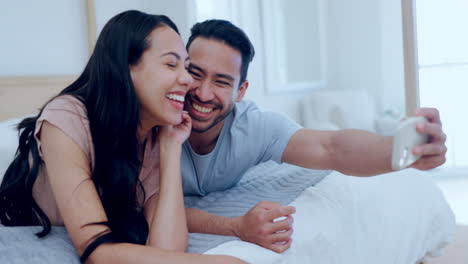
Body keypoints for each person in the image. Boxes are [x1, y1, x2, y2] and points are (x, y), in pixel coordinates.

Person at [181, 19, 447, 253]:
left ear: (240, 91)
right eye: (195, 74)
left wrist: (397, 152)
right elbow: (149, 208)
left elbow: (331, 147)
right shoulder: (154, 122)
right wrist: (234, 226)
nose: (203, 94)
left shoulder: (252, 126)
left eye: (222, 82)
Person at [0, 11, 245, 264]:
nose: (186, 80)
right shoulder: (65, 118)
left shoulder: (154, 133)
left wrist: (170, 148)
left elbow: (168, 249)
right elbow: (96, 250)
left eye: (185, 67)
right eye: (171, 64)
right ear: (126, 68)